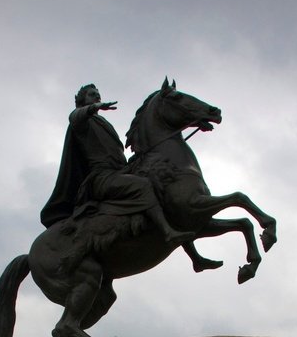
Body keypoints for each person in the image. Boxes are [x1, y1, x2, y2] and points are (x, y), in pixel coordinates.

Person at [40, 83, 195, 243]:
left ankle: (194, 255)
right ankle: (167, 232)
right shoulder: (82, 122)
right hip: (101, 177)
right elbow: (74, 117)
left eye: (98, 94)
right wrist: (95, 107)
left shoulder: (104, 123)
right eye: (92, 94)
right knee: (143, 185)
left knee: (159, 182)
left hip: (119, 171)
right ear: (82, 100)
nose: (97, 97)